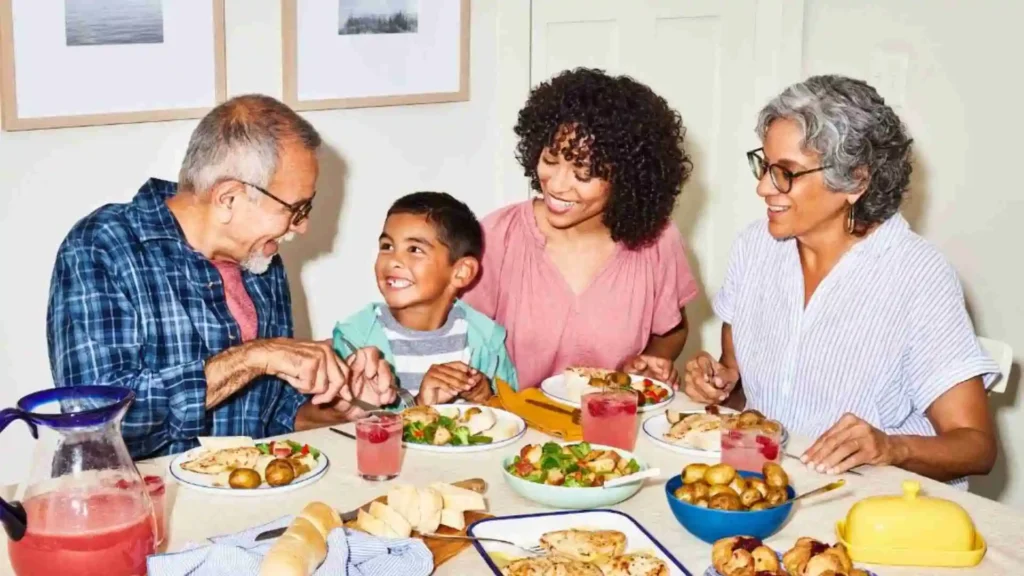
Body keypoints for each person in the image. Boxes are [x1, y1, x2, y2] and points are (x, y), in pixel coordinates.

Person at [681, 75, 998, 487]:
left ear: (856, 181)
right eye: (765, 165)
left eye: (787, 173)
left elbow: (976, 446)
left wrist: (891, 447)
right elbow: (743, 392)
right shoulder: (755, 248)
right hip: (769, 488)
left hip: (875, 507)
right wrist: (718, 387)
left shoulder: (917, 275)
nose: (763, 187)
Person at [46, 94, 395, 460]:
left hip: (247, 507)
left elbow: (270, 415)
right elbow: (96, 422)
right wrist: (253, 357)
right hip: (137, 507)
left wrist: (336, 409)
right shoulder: (102, 246)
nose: (303, 226)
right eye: (296, 209)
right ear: (229, 198)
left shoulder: (262, 261)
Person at [464, 68, 699, 390]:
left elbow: (671, 332)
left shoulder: (657, 241)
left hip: (610, 429)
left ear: (626, 178)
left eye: (583, 173)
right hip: (516, 430)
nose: (557, 184)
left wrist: (647, 368)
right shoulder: (495, 238)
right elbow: (455, 344)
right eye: (550, 159)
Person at [332, 192, 518, 407]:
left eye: (414, 249)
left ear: (461, 272)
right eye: (387, 246)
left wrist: (487, 398)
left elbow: (513, 417)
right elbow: (350, 430)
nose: (393, 261)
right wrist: (420, 406)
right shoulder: (355, 341)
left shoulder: (486, 339)